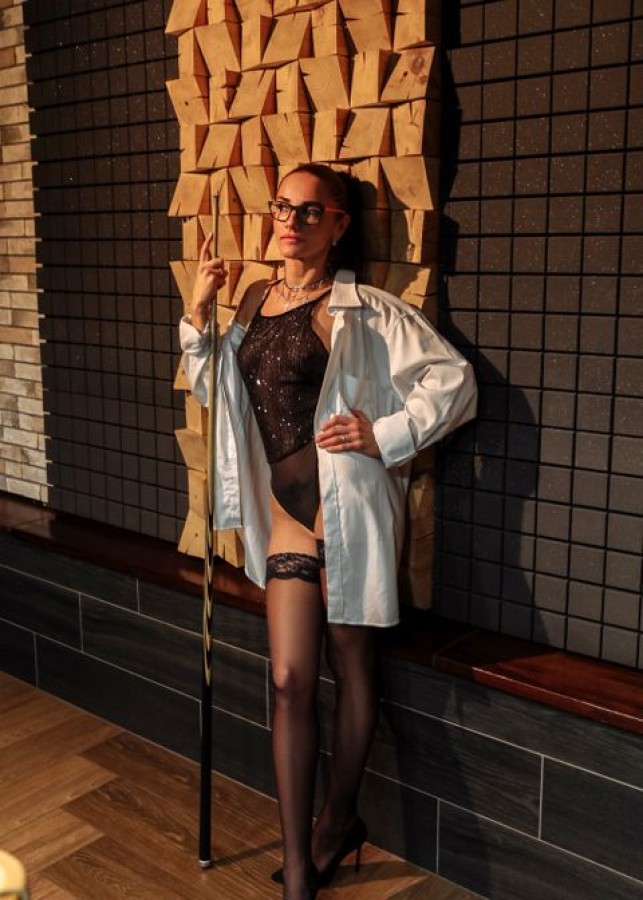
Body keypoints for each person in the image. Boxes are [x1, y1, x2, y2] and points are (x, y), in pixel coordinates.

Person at [179, 163, 477, 900]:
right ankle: (297, 864)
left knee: (351, 667)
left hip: (348, 512)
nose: (291, 221)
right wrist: (198, 311)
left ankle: (337, 822)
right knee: (288, 681)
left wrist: (386, 432)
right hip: (286, 518)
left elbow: (454, 381)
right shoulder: (253, 298)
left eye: (310, 211)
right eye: (284, 206)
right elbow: (218, 390)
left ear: (339, 225)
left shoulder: (366, 309)